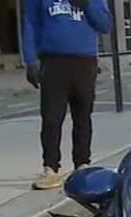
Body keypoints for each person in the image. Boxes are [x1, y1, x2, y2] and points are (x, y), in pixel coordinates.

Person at [22, 0, 113, 190]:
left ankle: (82, 164)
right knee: (51, 118)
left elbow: (105, 25)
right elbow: (30, 23)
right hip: (53, 60)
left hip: (84, 61)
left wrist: (87, 5)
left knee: (82, 116)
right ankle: (50, 167)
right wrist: (30, 60)